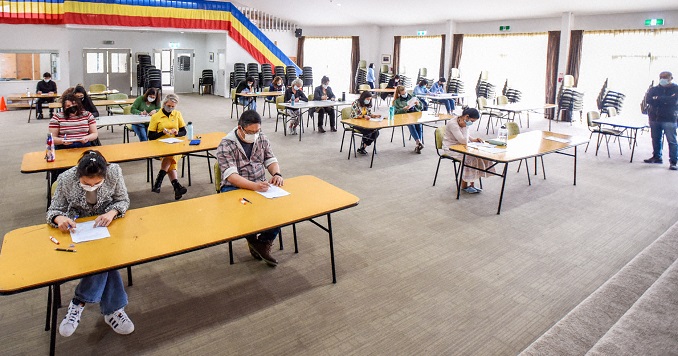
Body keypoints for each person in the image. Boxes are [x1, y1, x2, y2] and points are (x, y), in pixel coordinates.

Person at [47, 150, 134, 337]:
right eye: (86, 183)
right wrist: (60, 218)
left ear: (104, 175)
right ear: (79, 175)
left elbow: (123, 200)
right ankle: (114, 310)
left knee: (105, 257)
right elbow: (53, 210)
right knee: (107, 261)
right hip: (77, 230)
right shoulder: (66, 179)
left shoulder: (114, 172)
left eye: (96, 183)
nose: (91, 186)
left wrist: (112, 213)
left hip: (107, 227)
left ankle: (78, 303)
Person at [216, 110, 284, 266]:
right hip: (234, 189)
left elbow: (270, 159)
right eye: (250, 132)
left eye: (257, 131)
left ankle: (263, 242)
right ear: (240, 128)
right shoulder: (226, 144)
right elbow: (231, 176)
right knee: (247, 210)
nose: (254, 135)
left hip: (260, 185)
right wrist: (254, 187)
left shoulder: (261, 138)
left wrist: (277, 173)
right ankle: (253, 239)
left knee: (282, 209)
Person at [443, 108, 495, 193]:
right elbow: (463, 140)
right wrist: (466, 127)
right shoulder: (453, 124)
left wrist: (474, 139)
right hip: (451, 147)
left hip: (462, 145)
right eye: (472, 121)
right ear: (466, 117)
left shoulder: (463, 121)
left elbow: (466, 137)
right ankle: (464, 185)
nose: (471, 123)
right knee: (469, 158)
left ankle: (472, 184)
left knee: (478, 155)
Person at [148, 94, 188, 199]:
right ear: (164, 103)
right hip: (160, 144)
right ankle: (176, 186)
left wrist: (177, 133)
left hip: (175, 143)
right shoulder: (155, 116)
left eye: (173, 106)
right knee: (171, 156)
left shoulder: (177, 114)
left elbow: (184, 131)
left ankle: (160, 179)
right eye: (169, 105)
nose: (170, 108)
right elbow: (150, 136)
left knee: (171, 155)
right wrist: (162, 132)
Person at [644, 71, 678, 170]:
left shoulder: (676, 89)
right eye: (661, 77)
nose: (662, 79)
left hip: (669, 118)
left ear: (671, 78)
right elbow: (649, 100)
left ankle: (673, 161)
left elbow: (674, 101)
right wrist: (666, 99)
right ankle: (657, 157)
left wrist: (658, 99)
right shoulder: (654, 89)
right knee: (655, 139)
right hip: (655, 118)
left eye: (665, 77)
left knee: (672, 141)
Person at [392, 85, 425, 154]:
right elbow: (395, 112)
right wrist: (403, 109)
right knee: (411, 125)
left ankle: (418, 145)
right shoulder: (397, 101)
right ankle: (418, 142)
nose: (405, 94)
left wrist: (418, 104)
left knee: (419, 125)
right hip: (405, 116)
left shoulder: (413, 96)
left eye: (405, 92)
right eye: (403, 94)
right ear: (399, 94)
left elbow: (421, 107)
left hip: (415, 114)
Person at [350, 91, 381, 155]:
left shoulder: (367, 105)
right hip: (355, 123)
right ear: (363, 98)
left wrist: (375, 116)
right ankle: (362, 147)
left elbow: (369, 114)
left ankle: (363, 147)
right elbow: (354, 115)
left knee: (376, 132)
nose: (368, 101)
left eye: (370, 99)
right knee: (368, 131)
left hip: (365, 122)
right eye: (367, 99)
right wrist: (363, 116)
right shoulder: (356, 103)